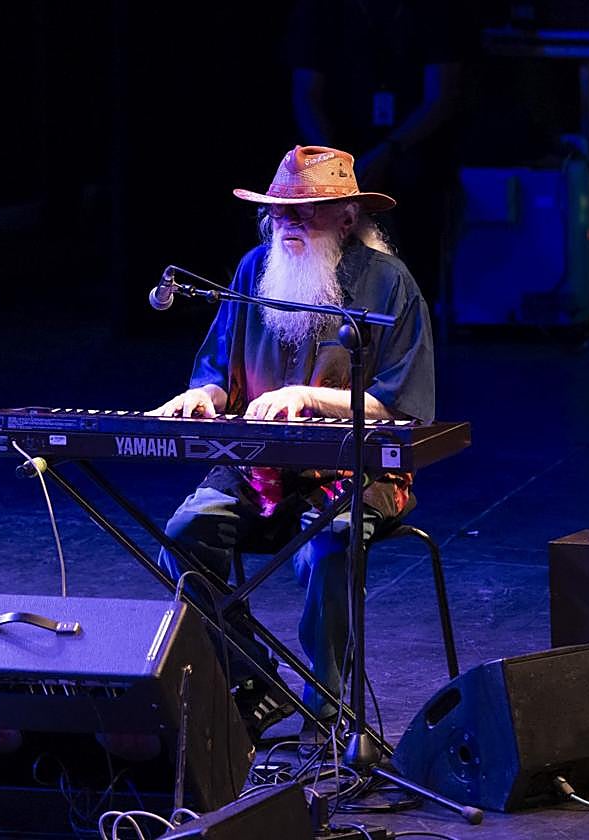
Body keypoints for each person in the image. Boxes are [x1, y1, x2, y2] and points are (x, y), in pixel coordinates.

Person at [149, 145, 435, 737]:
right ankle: (250, 679)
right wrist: (205, 394)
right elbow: (216, 372)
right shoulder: (255, 271)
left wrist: (310, 398)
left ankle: (326, 707)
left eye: (303, 212)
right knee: (183, 535)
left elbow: (400, 404)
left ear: (347, 218)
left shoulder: (388, 285)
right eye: (280, 212)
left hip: (355, 470)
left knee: (331, 540)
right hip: (259, 465)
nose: (287, 225)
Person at [286, 0, 481, 306]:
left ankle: (412, 303)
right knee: (313, 191)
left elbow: (441, 97)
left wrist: (389, 149)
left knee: (417, 182)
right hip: (340, 145)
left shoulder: (434, 11)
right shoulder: (319, 11)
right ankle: (323, 304)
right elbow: (306, 94)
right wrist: (332, 159)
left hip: (412, 141)